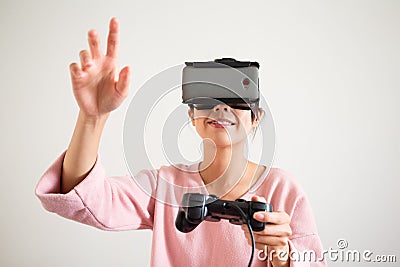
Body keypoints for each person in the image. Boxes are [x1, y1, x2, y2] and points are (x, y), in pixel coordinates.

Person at [35, 18, 326, 267]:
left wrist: (283, 256)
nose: (221, 109)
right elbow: (88, 198)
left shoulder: (282, 189)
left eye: (235, 101)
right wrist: (91, 118)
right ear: (191, 114)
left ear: (256, 118)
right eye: (207, 99)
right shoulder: (165, 185)